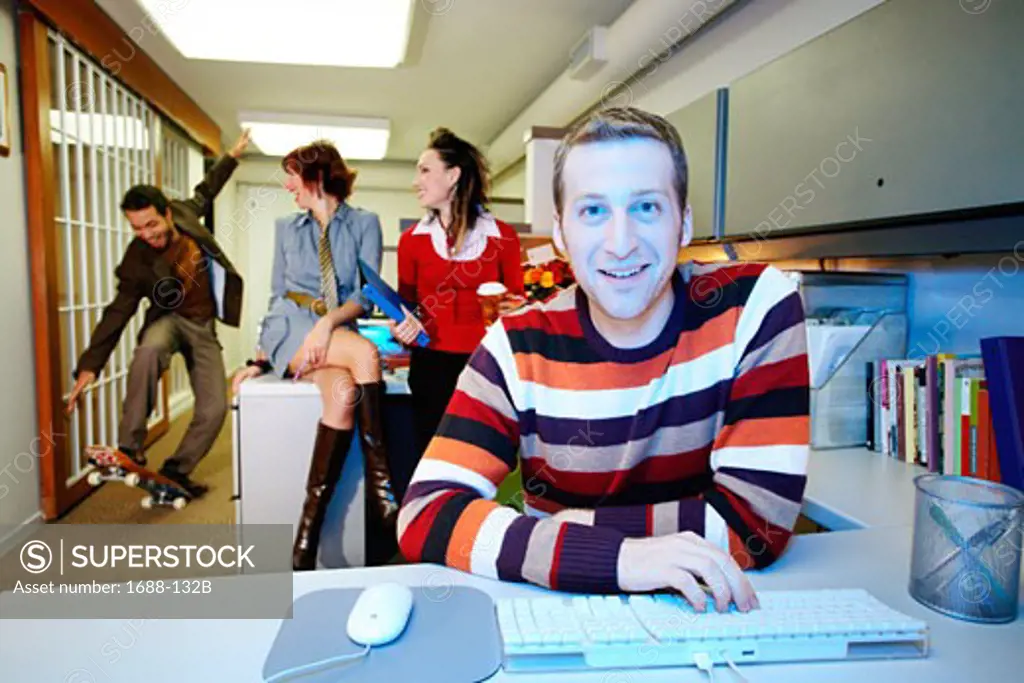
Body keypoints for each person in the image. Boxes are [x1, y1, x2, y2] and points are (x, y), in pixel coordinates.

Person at [396, 107, 810, 613]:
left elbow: (758, 523)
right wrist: (619, 559)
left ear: (684, 224)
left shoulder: (756, 307)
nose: (621, 244)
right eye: (593, 211)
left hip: (712, 613)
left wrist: (558, 535)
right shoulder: (516, 345)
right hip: (560, 614)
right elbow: (425, 512)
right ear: (562, 235)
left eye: (647, 208)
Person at [231, 140, 398, 571]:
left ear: (317, 177)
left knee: (343, 394)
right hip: (292, 330)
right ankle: (387, 499)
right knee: (365, 355)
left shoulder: (365, 223)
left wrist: (327, 325)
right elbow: (275, 294)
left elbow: (366, 294)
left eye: (293, 175)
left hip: (335, 329)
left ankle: (305, 540)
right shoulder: (287, 227)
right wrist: (260, 358)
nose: (288, 186)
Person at [66, 130, 252, 498]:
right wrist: (90, 366)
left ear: (168, 213)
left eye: (152, 224)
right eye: (136, 228)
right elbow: (117, 313)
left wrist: (231, 156)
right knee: (148, 351)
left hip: (202, 327)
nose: (146, 234)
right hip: (167, 321)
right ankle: (130, 445)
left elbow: (207, 189)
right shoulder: (137, 259)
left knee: (215, 408)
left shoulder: (184, 211)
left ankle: (177, 471)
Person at [391, 127, 524, 466]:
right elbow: (405, 309)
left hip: (486, 366)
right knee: (434, 462)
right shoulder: (411, 241)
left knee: (484, 460)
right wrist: (401, 327)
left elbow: (519, 304)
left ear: (453, 175)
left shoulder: (503, 238)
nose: (415, 181)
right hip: (431, 367)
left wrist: (514, 310)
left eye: (424, 170)